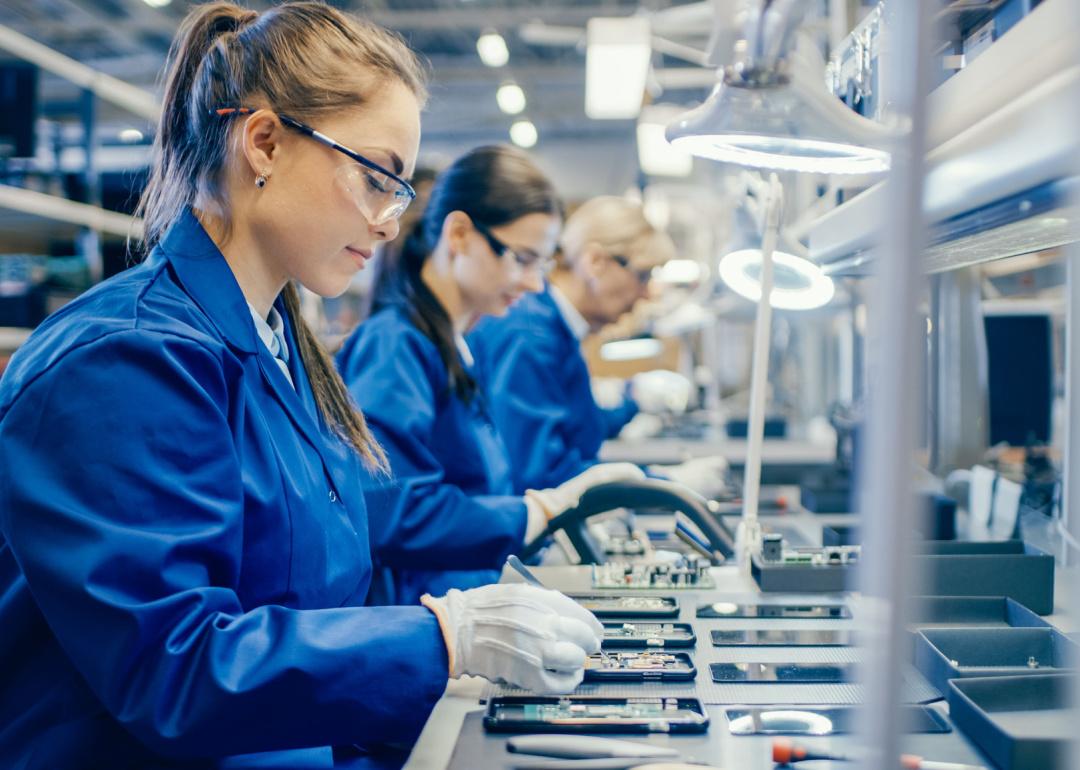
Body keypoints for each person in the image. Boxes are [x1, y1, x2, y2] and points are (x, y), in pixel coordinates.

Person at [0, 5, 604, 769]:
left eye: (399, 193)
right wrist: (440, 640)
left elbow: (312, 609)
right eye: (378, 177)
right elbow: (175, 668)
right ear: (264, 143)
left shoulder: (283, 348)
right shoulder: (124, 360)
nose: (389, 223)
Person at [337, 146, 645, 606]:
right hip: (422, 624)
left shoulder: (454, 349)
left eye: (541, 263)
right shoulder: (396, 347)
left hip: (465, 603)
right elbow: (391, 510)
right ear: (459, 234)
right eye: (521, 259)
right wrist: (531, 514)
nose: (534, 283)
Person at [468, 195, 681, 494]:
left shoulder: (557, 329)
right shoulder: (528, 335)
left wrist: (632, 401)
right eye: (642, 275)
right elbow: (540, 475)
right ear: (595, 261)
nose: (648, 293)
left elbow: (574, 428)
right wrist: (662, 485)